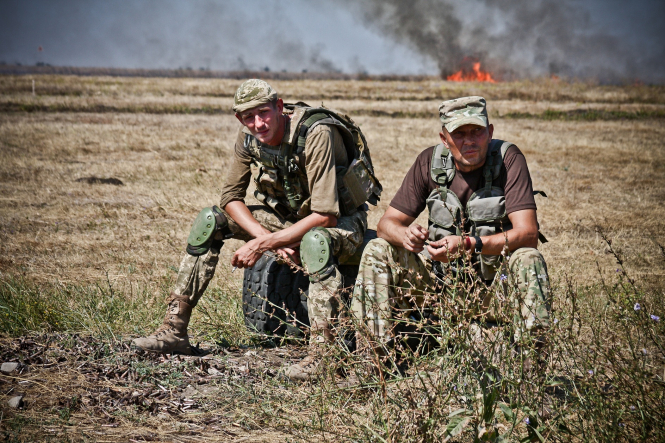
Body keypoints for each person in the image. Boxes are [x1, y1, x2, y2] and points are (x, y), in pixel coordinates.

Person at [132, 79, 380, 380]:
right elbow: (230, 199)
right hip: (287, 219)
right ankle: (174, 330)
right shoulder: (249, 136)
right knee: (210, 221)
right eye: (248, 117)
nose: (258, 123)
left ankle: (322, 356)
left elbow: (325, 215)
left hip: (342, 222)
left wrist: (262, 245)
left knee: (316, 241)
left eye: (263, 112)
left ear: (279, 107)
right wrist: (270, 240)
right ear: (240, 118)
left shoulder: (316, 133)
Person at [351, 96, 550, 359]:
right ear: (444, 139)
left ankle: (531, 372)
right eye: (459, 134)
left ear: (490, 132)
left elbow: (528, 234)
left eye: (477, 131)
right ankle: (372, 360)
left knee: (529, 258)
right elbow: (386, 224)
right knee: (377, 248)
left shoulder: (508, 160)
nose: (469, 141)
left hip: (494, 293)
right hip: (439, 293)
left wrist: (469, 245)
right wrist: (406, 235)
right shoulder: (429, 162)